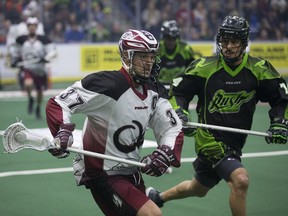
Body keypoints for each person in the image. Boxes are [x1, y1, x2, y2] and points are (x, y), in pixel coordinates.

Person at [146, 15, 288, 216]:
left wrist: (279, 122)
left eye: (234, 41)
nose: (228, 46)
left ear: (244, 43)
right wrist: (180, 113)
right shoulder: (205, 67)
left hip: (236, 142)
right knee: (241, 180)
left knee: (198, 188)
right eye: (224, 41)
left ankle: (158, 197)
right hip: (209, 139)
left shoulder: (259, 69)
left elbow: (281, 97)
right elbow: (179, 91)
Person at [46, 29, 184, 216]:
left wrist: (165, 153)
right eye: (143, 56)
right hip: (103, 173)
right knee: (153, 214)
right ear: (127, 57)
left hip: (132, 172)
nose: (149, 62)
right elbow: (59, 102)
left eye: (152, 56)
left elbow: (171, 128)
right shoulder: (107, 84)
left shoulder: (154, 90)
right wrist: (62, 131)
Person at [10, 17, 57, 119]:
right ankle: (31, 98)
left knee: (40, 93)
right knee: (28, 84)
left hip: (40, 70)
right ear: (27, 27)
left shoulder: (43, 39)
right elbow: (15, 50)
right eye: (30, 26)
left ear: (36, 27)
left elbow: (52, 51)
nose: (32, 28)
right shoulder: (21, 39)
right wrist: (14, 60)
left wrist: (46, 58)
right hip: (28, 68)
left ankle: (38, 108)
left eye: (33, 26)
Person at [157, 20, 196, 87]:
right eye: (168, 38)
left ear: (177, 38)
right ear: (164, 37)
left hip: (180, 87)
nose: (171, 42)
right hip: (160, 87)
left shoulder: (185, 49)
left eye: (173, 38)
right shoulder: (158, 50)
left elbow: (192, 70)